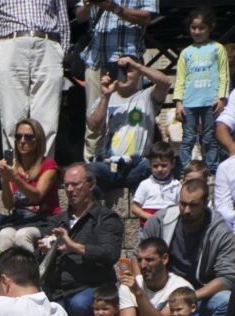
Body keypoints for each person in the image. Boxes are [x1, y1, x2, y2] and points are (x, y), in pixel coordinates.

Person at [141, 179, 235, 316]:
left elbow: (227, 277)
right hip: (161, 289)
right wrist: (141, 289)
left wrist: (188, 297)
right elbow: (137, 256)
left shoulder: (220, 232)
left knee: (227, 301)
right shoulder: (160, 221)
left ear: (206, 203)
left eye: (193, 205)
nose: (186, 210)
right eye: (182, 204)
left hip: (197, 294)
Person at [0, 0, 71, 157]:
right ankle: (14, 174)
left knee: (48, 119)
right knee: (11, 118)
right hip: (9, 43)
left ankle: (43, 174)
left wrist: (60, 52)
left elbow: (63, 23)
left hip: (47, 44)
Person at [41, 163, 124, 316]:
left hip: (91, 286)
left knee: (79, 304)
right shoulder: (57, 221)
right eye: (66, 185)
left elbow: (110, 253)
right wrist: (43, 249)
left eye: (75, 184)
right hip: (57, 289)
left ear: (91, 184)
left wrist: (75, 247)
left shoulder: (106, 218)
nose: (70, 189)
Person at [75, 0, 157, 162]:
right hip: (96, 59)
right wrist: (89, 4)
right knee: (93, 120)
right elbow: (80, 16)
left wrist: (115, 8)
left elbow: (148, 17)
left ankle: (129, 166)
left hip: (128, 61)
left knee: (129, 117)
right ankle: (92, 171)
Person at [87, 55, 171, 191]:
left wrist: (136, 65)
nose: (124, 74)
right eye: (121, 70)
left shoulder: (147, 96)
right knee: (88, 171)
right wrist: (106, 96)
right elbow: (93, 126)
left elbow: (165, 82)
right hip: (109, 165)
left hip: (137, 166)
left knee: (149, 166)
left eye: (129, 70)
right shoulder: (104, 99)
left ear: (140, 75)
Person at [173, 7, 229, 174]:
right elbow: (180, 79)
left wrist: (222, 98)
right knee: (188, 138)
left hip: (210, 102)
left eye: (201, 28)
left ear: (210, 27)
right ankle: (185, 170)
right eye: (193, 28)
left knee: (209, 138)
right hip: (189, 102)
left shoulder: (217, 48)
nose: (197, 32)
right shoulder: (186, 53)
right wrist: (178, 102)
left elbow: (223, 75)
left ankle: (212, 170)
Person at [0, 118, 61, 252]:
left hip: (45, 220)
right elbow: (8, 205)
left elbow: (37, 196)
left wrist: (15, 178)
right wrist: (6, 179)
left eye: (28, 137)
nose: (22, 141)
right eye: (19, 137)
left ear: (38, 141)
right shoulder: (13, 167)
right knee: (4, 235)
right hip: (19, 219)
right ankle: (0, 271)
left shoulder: (49, 166)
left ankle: (31, 271)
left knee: (22, 235)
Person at [131, 142, 180, 226]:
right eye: (155, 166)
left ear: (172, 164)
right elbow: (134, 208)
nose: (160, 169)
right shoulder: (145, 184)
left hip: (169, 227)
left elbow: (180, 207)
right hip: (148, 226)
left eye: (164, 165)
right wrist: (151, 218)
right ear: (150, 164)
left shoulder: (177, 185)